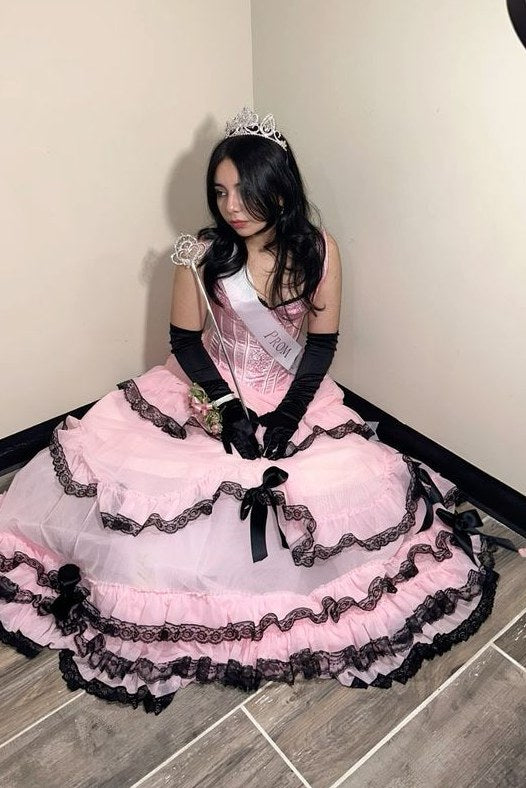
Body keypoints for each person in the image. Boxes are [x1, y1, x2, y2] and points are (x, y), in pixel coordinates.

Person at [0, 109, 506, 714]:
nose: (231, 206)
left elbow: (320, 344)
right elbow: (186, 343)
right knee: (152, 527)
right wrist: (227, 407)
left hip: (293, 393)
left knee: (348, 495)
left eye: (244, 191)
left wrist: (289, 416)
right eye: (220, 192)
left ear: (281, 189)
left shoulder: (319, 251)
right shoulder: (200, 253)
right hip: (209, 389)